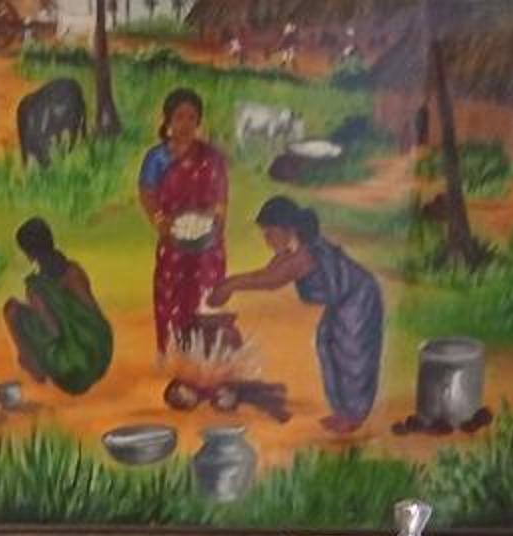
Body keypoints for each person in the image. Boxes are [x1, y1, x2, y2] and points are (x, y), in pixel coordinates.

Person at [210, 195, 383, 432]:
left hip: (358, 297)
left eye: (270, 233)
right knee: (326, 343)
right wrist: (229, 286)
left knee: (350, 352)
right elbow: (267, 273)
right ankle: (343, 411)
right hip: (341, 300)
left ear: (288, 230)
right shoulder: (292, 251)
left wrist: (228, 286)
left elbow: (269, 281)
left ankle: (354, 414)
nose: (267, 239)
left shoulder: (304, 255)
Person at [137, 88, 229, 358]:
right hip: (173, 240)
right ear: (168, 120)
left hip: (207, 245)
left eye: (191, 118)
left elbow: (220, 196)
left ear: (199, 121)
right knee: (171, 295)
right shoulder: (157, 158)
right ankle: (171, 352)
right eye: (179, 117)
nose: (185, 124)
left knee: (204, 297)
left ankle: (203, 354)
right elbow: (147, 193)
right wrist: (160, 221)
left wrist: (216, 222)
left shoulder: (211, 157)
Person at [2, 217, 114, 395]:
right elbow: (92, 309)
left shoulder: (36, 287)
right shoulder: (74, 271)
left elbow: (53, 330)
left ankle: (32, 364)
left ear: (29, 254)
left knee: (11, 310)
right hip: (99, 352)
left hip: (72, 370)